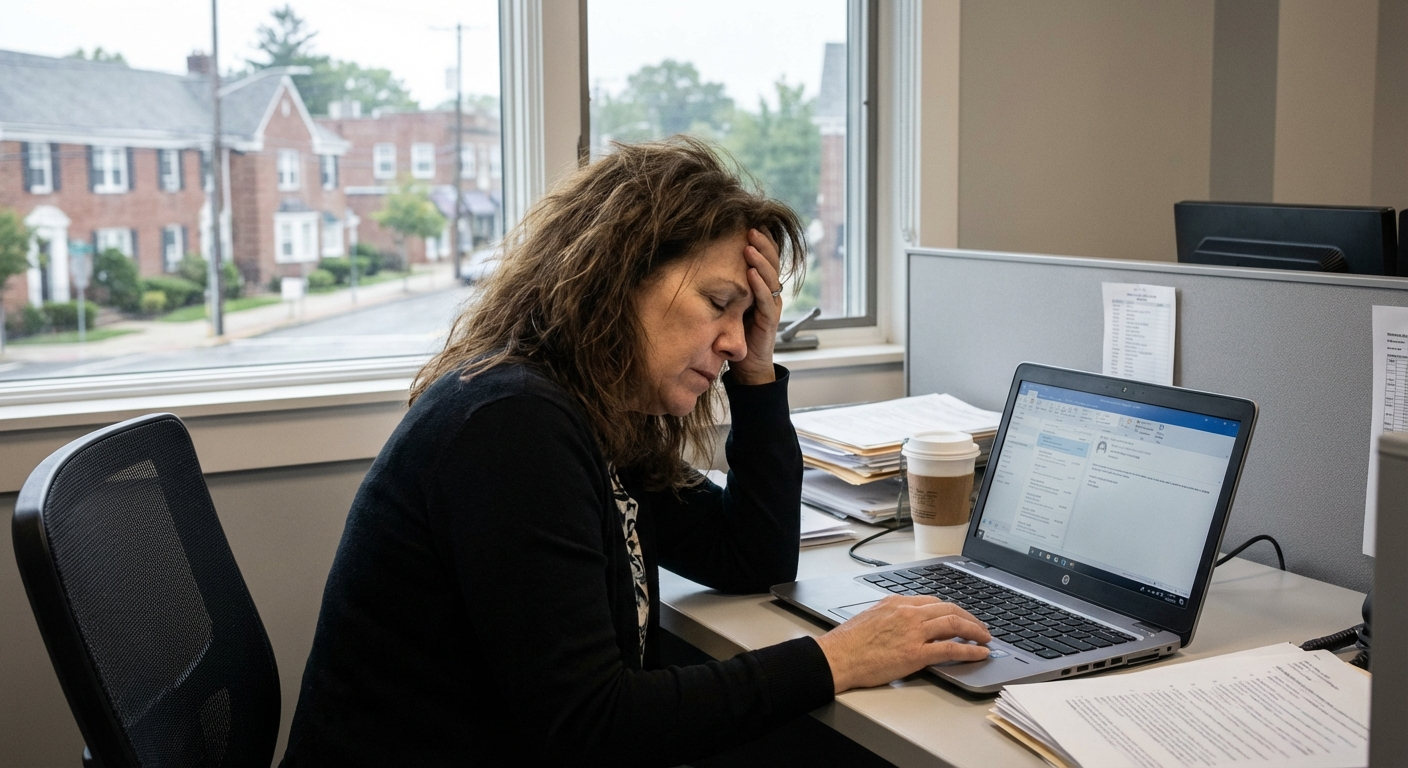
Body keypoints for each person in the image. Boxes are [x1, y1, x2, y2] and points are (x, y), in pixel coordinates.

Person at [280, 137, 991, 767]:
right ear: (618, 278)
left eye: (748, 317)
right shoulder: (512, 425)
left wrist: (757, 372)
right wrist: (836, 658)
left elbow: (751, 557)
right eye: (718, 304)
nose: (734, 341)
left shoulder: (593, 413)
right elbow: (592, 727)